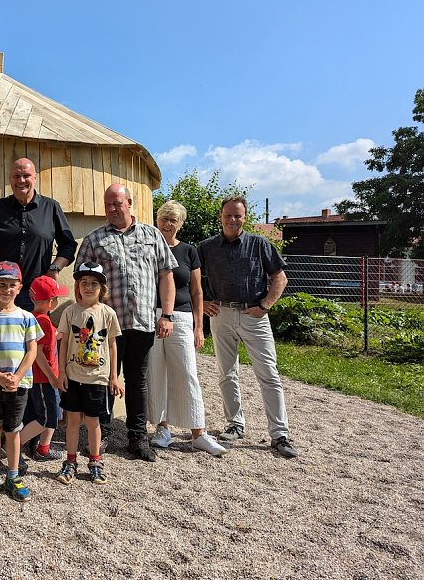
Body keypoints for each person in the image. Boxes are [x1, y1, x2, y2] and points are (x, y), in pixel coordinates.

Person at [75, 183, 176, 462]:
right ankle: (102, 434)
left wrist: (166, 314)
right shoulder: (95, 240)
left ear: (130, 203)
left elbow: (166, 275)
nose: (112, 209)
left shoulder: (152, 235)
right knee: (103, 379)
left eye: (117, 204)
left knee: (137, 380)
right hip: (105, 325)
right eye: (107, 204)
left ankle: (137, 437)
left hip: (142, 321)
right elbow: (79, 279)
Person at [198, 196, 299, 458]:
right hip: (220, 314)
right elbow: (192, 278)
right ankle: (235, 424)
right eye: (227, 215)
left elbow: (280, 277)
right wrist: (204, 302)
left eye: (237, 216)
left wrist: (265, 305)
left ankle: (279, 434)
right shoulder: (206, 247)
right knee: (226, 373)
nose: (232, 220)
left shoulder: (260, 244)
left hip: (254, 314)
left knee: (268, 373)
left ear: (245, 217)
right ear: (220, 217)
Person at [146, 201, 227, 457]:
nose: (167, 224)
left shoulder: (189, 251)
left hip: (180, 317)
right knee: (156, 373)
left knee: (187, 372)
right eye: (163, 219)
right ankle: (162, 428)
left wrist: (199, 327)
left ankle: (198, 433)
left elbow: (196, 291)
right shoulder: (148, 248)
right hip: (151, 316)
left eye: (173, 220)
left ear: (180, 224)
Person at [0, 158, 78, 311]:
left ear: (35, 178)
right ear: (10, 179)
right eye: (16, 176)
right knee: (3, 334)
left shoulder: (51, 207)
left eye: (26, 176)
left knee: (36, 335)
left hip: (37, 293)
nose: (21, 180)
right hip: (5, 291)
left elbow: (68, 245)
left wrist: (54, 268)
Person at [0, 261, 42, 502]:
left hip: (19, 386)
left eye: (12, 285)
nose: (6, 289)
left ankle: (13, 475)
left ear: (19, 287)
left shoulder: (27, 318)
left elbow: (31, 351)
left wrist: (17, 376)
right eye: (1, 284)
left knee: (13, 432)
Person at [56, 262, 123, 485]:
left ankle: (95, 461)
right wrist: (61, 372)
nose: (88, 287)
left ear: (102, 288)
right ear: (78, 286)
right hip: (74, 376)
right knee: (72, 420)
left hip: (98, 378)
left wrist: (114, 376)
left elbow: (112, 345)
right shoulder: (70, 311)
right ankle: (70, 461)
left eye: (94, 283)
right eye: (84, 283)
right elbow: (64, 343)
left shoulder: (108, 313)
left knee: (94, 421)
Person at [19, 275, 67, 465]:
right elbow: (38, 353)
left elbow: (50, 338)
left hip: (43, 377)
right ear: (50, 302)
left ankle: (43, 448)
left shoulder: (36, 318)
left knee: (52, 414)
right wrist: (52, 377)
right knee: (47, 417)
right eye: (56, 299)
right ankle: (15, 444)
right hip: (43, 378)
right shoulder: (43, 322)